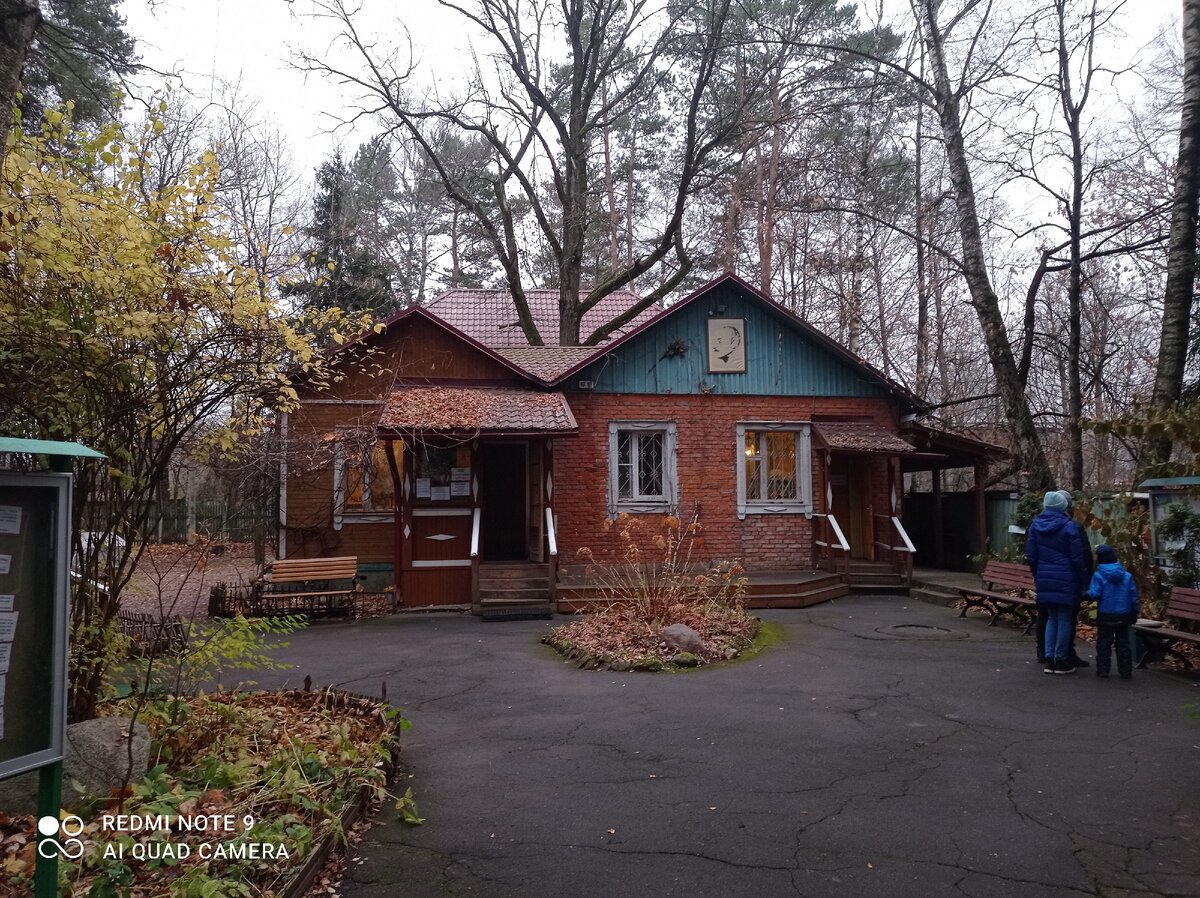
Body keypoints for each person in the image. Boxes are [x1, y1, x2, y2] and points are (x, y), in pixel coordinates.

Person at [1026, 490, 1090, 674]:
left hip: (1044, 578)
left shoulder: (1035, 526)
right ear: (1064, 506)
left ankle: (1049, 659)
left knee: (1051, 617)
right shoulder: (1069, 527)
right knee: (1064, 618)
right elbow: (1078, 558)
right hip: (1066, 578)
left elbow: (1031, 555)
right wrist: (1084, 581)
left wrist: (1038, 574)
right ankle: (1061, 659)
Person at [1086, 544, 1139, 679]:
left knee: (1104, 642)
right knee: (1123, 643)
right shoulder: (1127, 576)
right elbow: (1134, 597)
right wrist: (1134, 614)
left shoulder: (1098, 576)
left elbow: (1095, 594)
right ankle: (1125, 671)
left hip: (1105, 613)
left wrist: (1084, 593)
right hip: (1124, 613)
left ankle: (1103, 670)